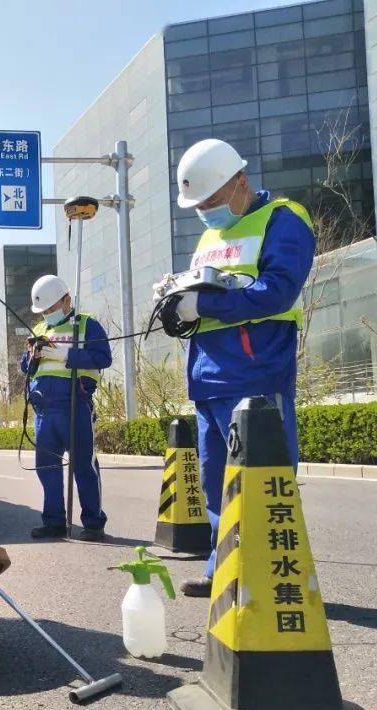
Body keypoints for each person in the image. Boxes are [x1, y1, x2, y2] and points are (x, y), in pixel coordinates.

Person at [157, 139, 314, 597]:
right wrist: (178, 308)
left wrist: (205, 305)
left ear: (240, 182)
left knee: (265, 476)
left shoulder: (283, 219)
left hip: (256, 371)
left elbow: (277, 291)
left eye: (211, 201)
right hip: (207, 375)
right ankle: (222, 566)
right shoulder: (208, 239)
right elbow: (205, 300)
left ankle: (272, 572)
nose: (205, 212)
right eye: (199, 206)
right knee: (214, 480)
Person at [19, 275, 112, 541]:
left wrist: (66, 355)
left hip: (75, 405)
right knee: (46, 467)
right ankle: (54, 522)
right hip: (43, 411)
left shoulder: (86, 326)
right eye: (44, 311)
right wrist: (32, 357)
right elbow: (25, 368)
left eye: (51, 308)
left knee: (83, 465)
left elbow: (103, 358)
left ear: (67, 300)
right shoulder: (38, 330)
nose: (47, 314)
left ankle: (93, 523)